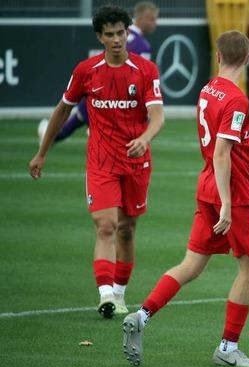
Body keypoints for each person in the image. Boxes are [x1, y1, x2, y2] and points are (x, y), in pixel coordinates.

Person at [122, 30, 249, 367]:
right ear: (248, 59)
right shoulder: (237, 99)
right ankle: (227, 347)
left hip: (206, 186)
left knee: (191, 265)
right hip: (234, 196)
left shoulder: (209, 90)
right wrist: (227, 202)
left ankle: (142, 315)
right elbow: (223, 153)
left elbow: (237, 137)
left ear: (219, 57)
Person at [29, 5, 165, 318]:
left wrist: (144, 139)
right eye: (110, 34)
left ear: (127, 33)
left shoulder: (146, 70)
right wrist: (42, 151)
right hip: (101, 162)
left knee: (127, 230)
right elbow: (62, 111)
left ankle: (119, 293)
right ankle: (105, 295)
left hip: (136, 162)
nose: (117, 39)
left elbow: (158, 117)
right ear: (99, 37)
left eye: (121, 33)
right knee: (106, 226)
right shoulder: (86, 71)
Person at [38, 1, 160, 146]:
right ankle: (50, 136)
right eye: (152, 19)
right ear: (140, 18)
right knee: (102, 131)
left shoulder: (119, 34)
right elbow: (140, 78)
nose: (155, 23)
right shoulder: (141, 45)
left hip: (100, 89)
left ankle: (49, 136)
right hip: (120, 99)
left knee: (78, 119)